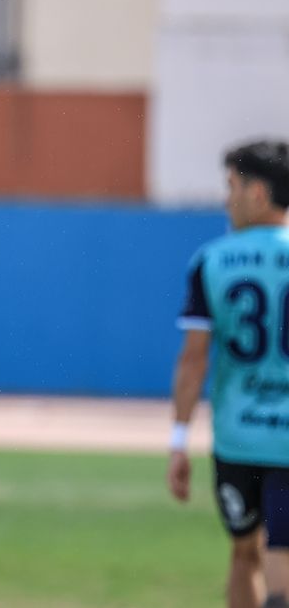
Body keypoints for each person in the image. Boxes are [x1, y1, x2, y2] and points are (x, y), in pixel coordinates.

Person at [169, 140, 289, 608]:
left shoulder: (212, 260)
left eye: (232, 186)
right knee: (282, 566)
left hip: (237, 438)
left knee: (244, 554)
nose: (227, 199)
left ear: (257, 193)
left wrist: (179, 439)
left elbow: (194, 358)